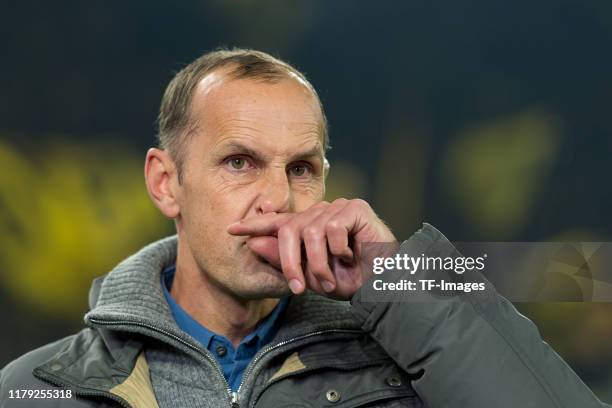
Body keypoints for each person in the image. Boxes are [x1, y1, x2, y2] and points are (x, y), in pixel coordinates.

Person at [0, 48, 608, 408]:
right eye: (239, 162)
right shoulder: (37, 388)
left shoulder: (401, 365)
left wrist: (403, 280)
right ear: (166, 183)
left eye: (301, 168)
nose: (279, 198)